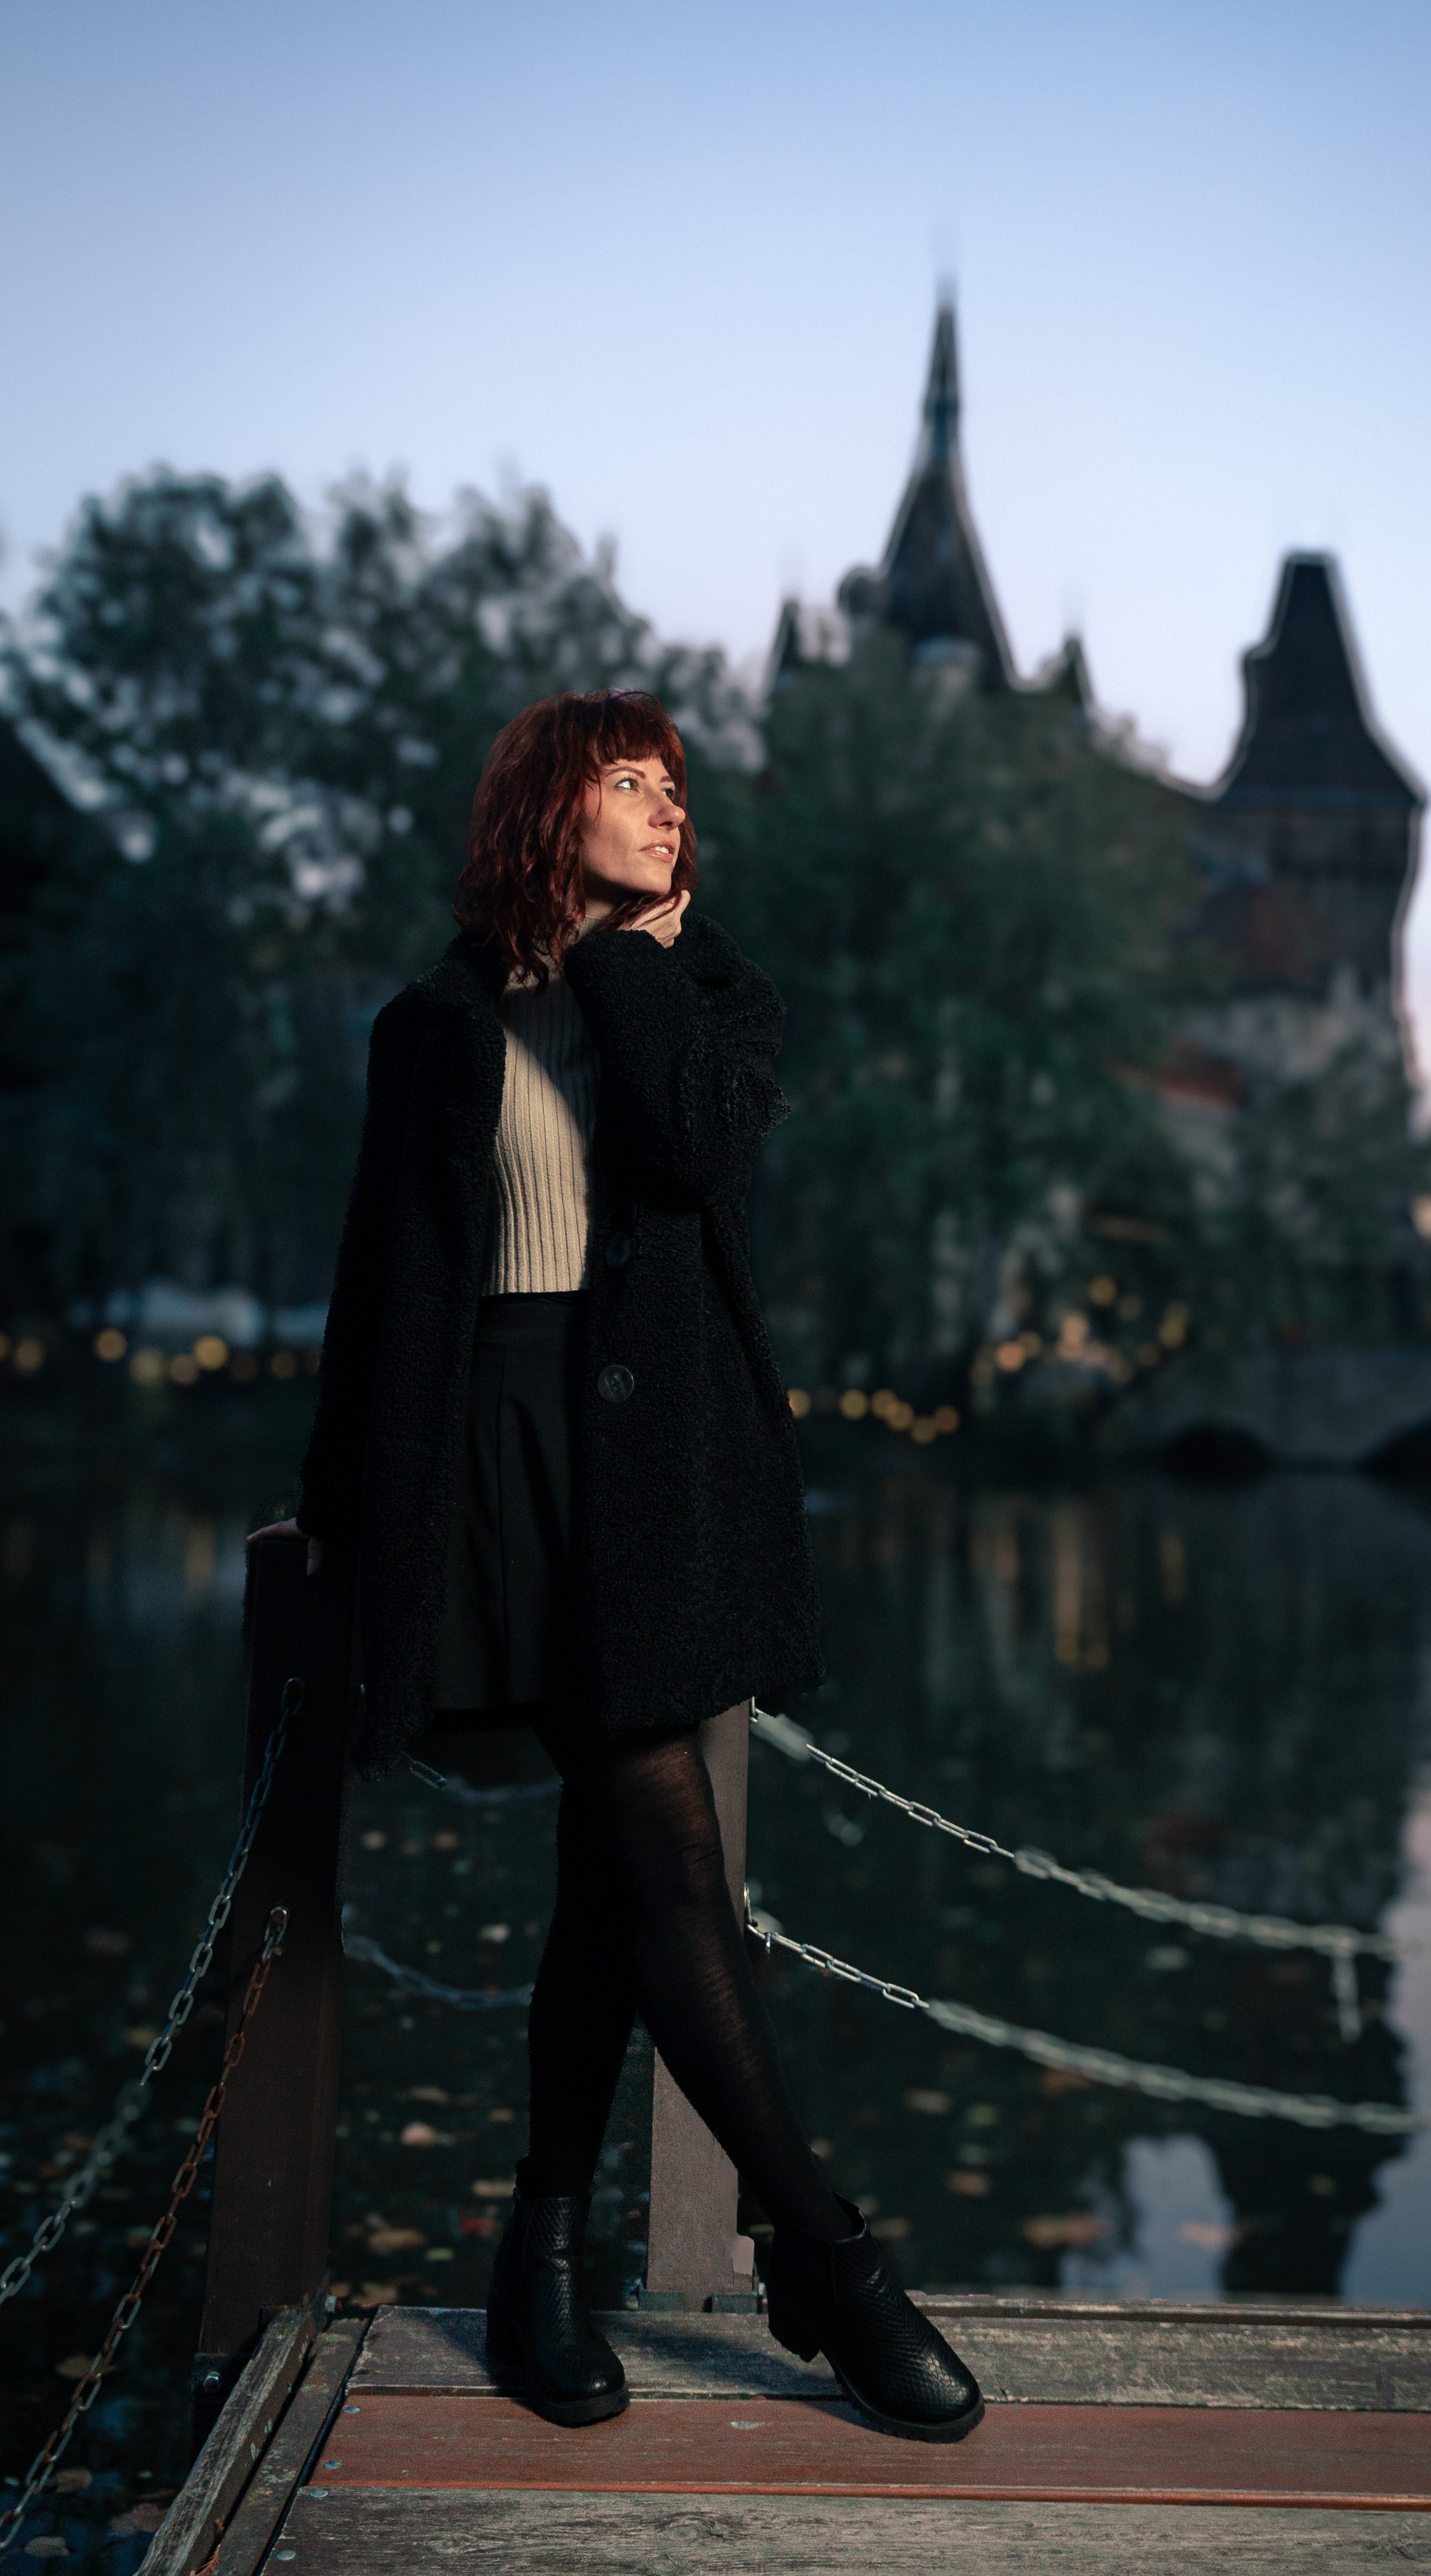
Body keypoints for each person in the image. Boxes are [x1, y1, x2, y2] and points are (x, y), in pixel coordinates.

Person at [249, 689, 981, 2443]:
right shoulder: (431, 1022)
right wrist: (339, 1499)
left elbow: (692, 1152)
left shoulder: (711, 991)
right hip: (486, 1455)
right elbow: (379, 1274)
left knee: (647, 1861)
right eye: (631, 783)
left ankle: (709, 2251)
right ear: (545, 799)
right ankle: (743, 2252)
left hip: (658, 1473)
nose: (668, 812)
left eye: (677, 792)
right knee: (633, 1866)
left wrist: (627, 964)